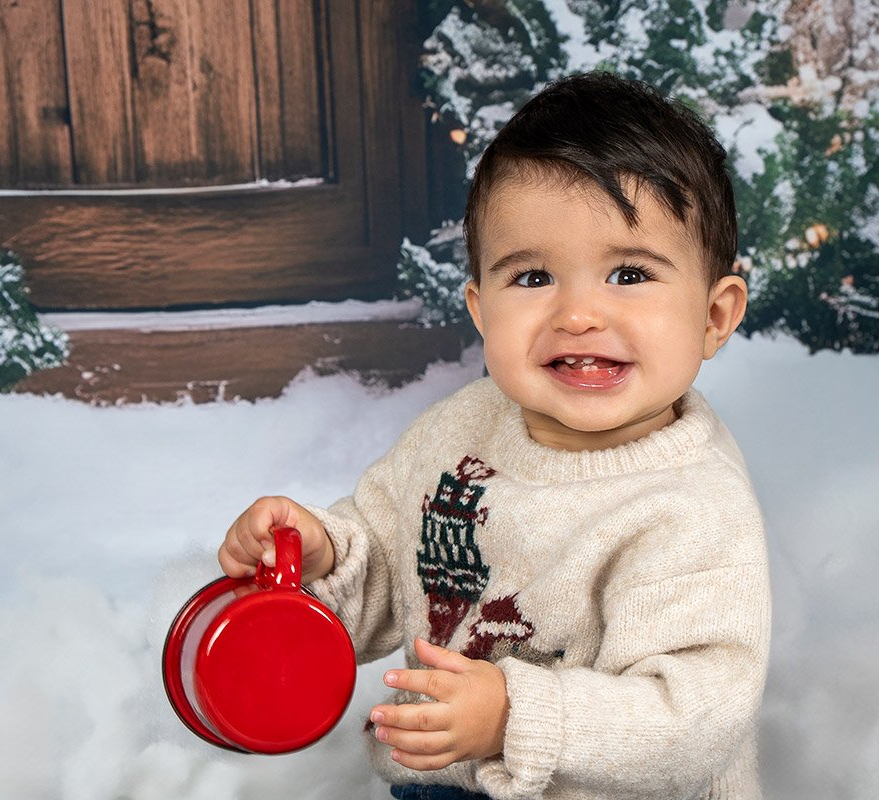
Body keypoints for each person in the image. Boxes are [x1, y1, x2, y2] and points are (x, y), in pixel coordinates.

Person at [218, 71, 771, 800]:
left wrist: (516, 715)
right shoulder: (462, 428)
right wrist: (323, 557)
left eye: (629, 273)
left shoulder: (693, 508)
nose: (578, 313)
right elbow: (392, 560)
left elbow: (692, 721)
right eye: (534, 277)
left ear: (714, 315)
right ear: (481, 310)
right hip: (442, 785)